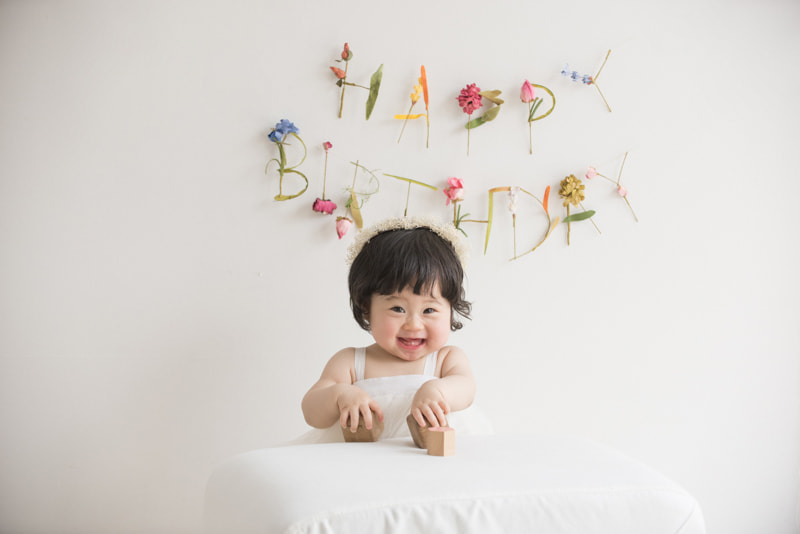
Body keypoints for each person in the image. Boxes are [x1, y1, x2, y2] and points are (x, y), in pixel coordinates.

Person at [297, 216, 492, 443]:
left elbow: (467, 390)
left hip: (429, 459)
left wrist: (438, 391)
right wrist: (340, 394)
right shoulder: (350, 363)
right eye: (398, 309)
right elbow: (311, 412)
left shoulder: (445, 360)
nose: (414, 325)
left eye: (429, 310)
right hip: (357, 462)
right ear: (366, 308)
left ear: (451, 310)